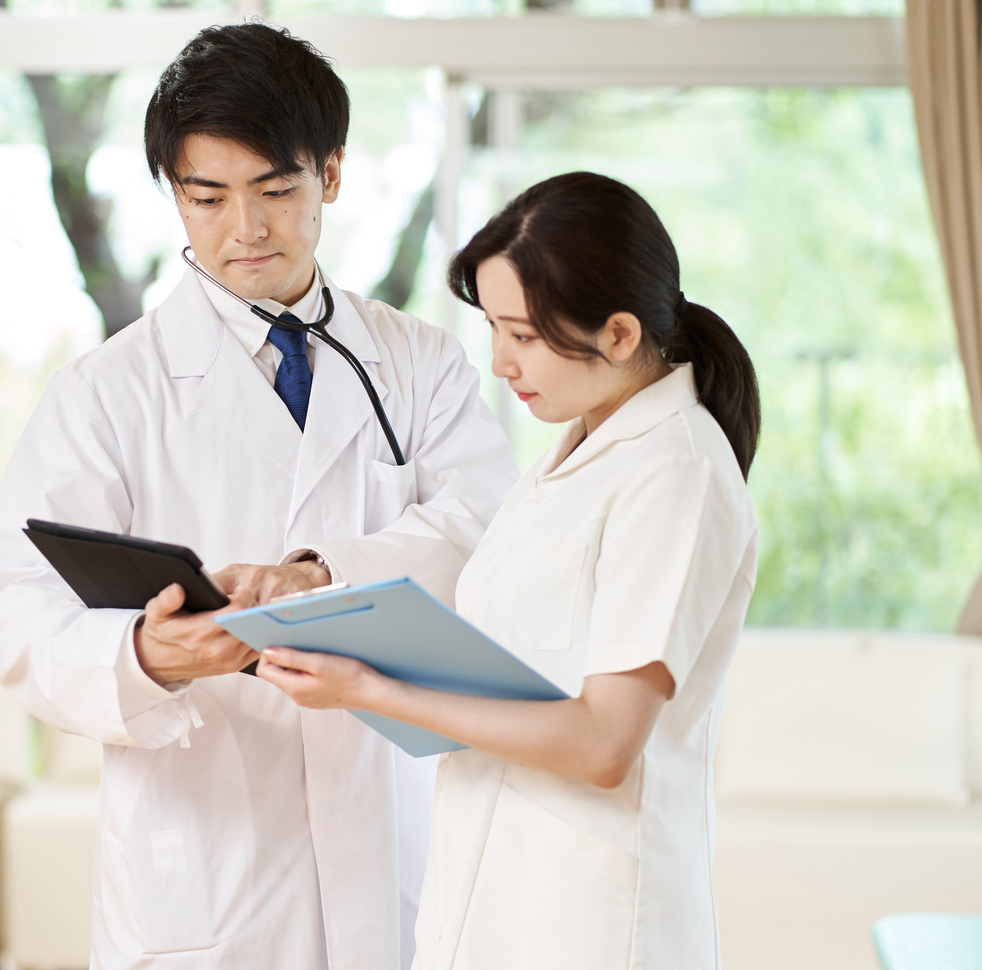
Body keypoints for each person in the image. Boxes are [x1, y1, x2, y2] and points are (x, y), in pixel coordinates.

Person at [0, 23, 518, 969]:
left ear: (331, 177)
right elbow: (14, 610)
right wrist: (145, 653)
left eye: (275, 191)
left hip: (389, 820)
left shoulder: (420, 364)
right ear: (174, 197)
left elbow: (491, 531)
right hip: (205, 853)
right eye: (207, 197)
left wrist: (323, 575)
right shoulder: (108, 393)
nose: (246, 230)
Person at [259, 171, 761, 969]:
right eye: (494, 329)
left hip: (592, 921)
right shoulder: (574, 457)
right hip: (493, 900)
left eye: (523, 336)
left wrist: (374, 691)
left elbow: (604, 742)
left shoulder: (678, 470)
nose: (500, 362)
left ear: (621, 334)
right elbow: (516, 672)